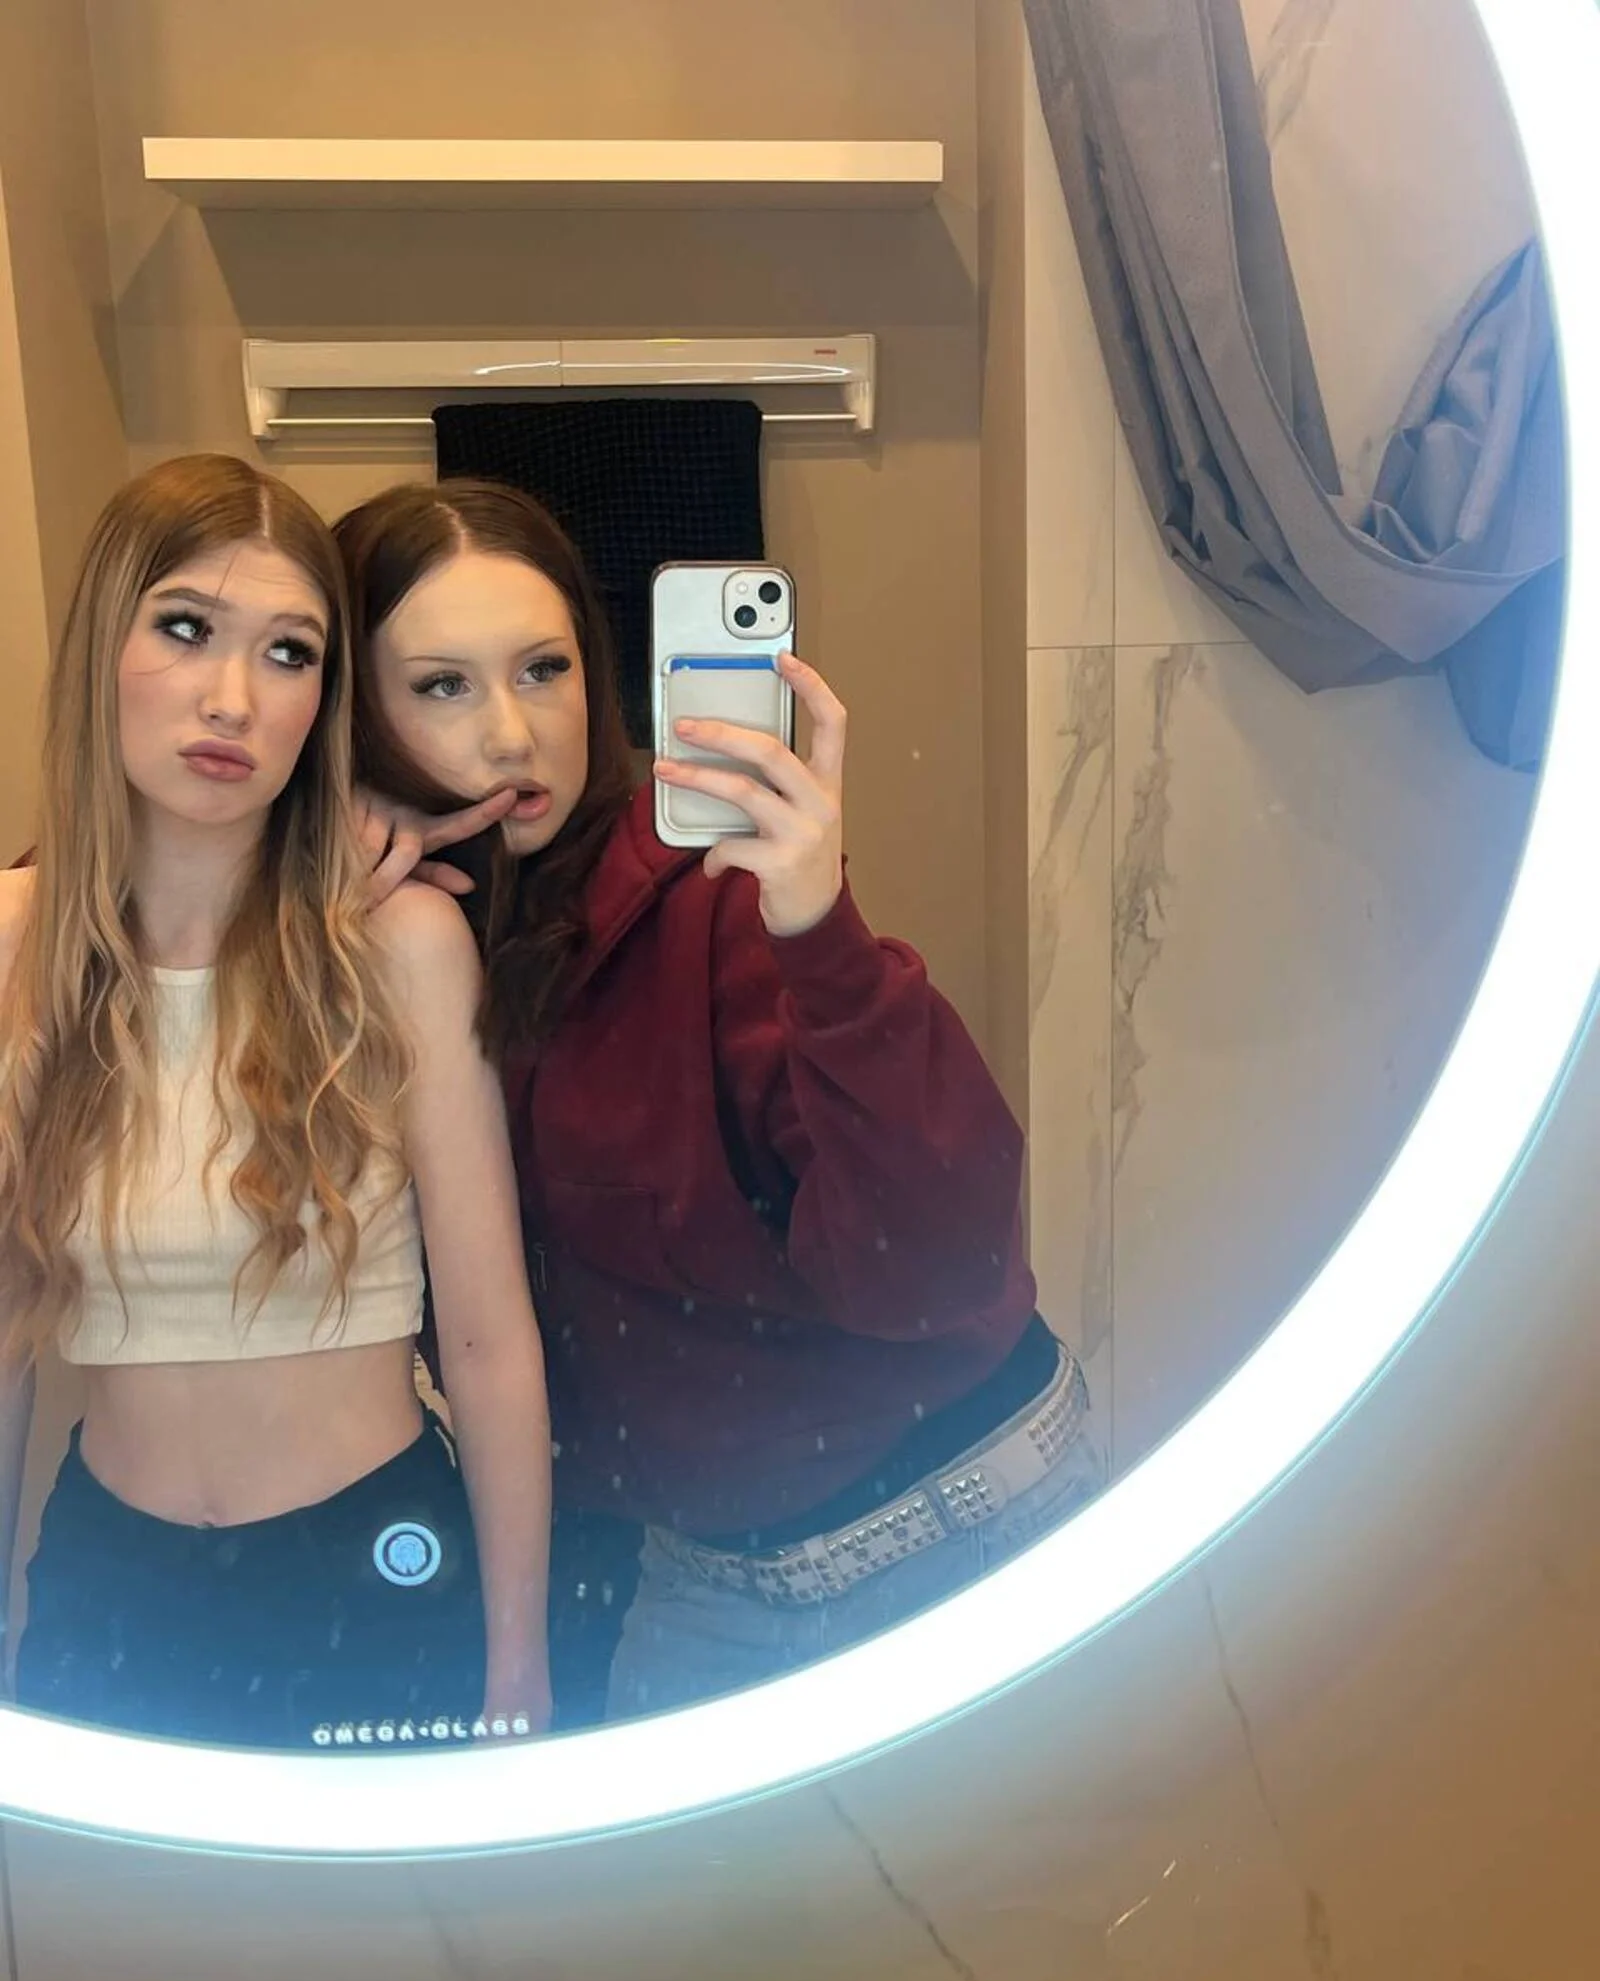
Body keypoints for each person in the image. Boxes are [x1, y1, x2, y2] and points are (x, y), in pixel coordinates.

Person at [336, 477, 1103, 1722]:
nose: (513, 735)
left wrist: (822, 936)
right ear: (354, 717)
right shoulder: (384, 928)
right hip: (697, 1570)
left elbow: (936, 1269)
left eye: (543, 670)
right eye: (441, 686)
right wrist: (293, 864)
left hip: (954, 1517)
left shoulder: (710, 896)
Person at [0, 455, 552, 1750]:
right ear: (102, 644)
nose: (233, 699)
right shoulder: (16, 947)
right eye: (186, 628)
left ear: (324, 702)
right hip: (109, 1585)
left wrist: (518, 1663)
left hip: (375, 1569)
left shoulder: (397, 947)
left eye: (289, 653)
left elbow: (488, 1340)